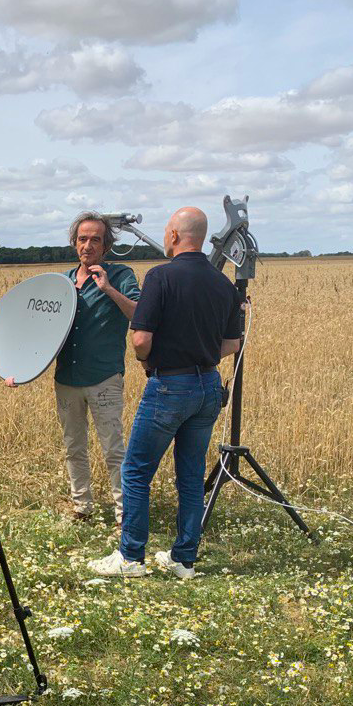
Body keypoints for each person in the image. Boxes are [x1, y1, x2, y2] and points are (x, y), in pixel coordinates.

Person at [90, 207, 242, 579]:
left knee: (137, 471)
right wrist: (200, 355)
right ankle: (183, 559)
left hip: (169, 385)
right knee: (190, 475)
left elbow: (141, 339)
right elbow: (233, 342)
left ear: (173, 235)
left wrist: (149, 362)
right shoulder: (224, 284)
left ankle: (131, 558)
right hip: (208, 386)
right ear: (202, 238)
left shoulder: (160, 277)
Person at [7, 211, 140, 525]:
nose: (88, 245)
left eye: (96, 239)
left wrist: (107, 288)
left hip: (104, 378)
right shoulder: (61, 284)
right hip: (67, 379)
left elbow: (139, 314)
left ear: (106, 245)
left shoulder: (121, 275)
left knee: (113, 449)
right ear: (74, 243)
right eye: (83, 239)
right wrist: (17, 367)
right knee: (73, 446)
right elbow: (36, 330)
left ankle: (124, 513)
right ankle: (82, 507)